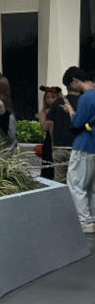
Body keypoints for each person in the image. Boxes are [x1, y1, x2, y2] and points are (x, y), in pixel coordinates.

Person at [61, 66, 95, 232]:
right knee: (92, 186)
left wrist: (71, 112)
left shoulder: (87, 97)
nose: (69, 89)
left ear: (75, 81)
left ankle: (85, 222)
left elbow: (78, 122)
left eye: (69, 85)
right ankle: (93, 219)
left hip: (84, 145)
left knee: (76, 183)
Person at [39, 85, 73, 184]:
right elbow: (44, 127)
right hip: (50, 142)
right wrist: (46, 118)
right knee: (51, 170)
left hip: (60, 141)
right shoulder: (44, 112)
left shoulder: (63, 109)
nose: (50, 100)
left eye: (53, 97)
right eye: (47, 97)